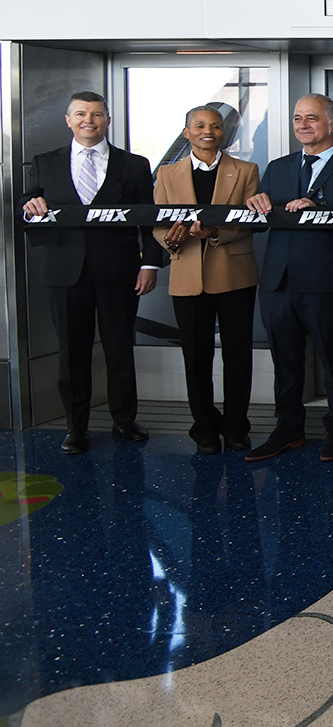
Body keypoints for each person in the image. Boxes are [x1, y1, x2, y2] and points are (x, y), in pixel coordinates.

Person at [20, 91, 161, 455]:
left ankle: (125, 420)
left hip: (120, 271)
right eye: (81, 114)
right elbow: (26, 205)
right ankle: (76, 427)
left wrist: (150, 264)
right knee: (72, 352)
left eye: (96, 114)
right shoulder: (45, 162)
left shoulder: (134, 165)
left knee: (119, 348)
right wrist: (29, 205)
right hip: (65, 272)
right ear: (68, 120)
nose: (89, 120)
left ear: (107, 121)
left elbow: (149, 218)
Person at [244, 93, 333, 463]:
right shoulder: (278, 167)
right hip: (277, 281)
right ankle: (288, 428)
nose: (303, 125)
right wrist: (253, 206)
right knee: (285, 360)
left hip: (324, 281)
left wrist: (322, 212)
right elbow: (259, 223)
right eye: (298, 118)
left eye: (312, 118)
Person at [152, 106, 261, 455]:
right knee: (196, 358)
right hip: (187, 276)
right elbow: (158, 224)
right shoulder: (167, 174)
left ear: (223, 133)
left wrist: (215, 233)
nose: (208, 131)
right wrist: (171, 240)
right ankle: (204, 428)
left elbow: (252, 222)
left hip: (234, 274)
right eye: (199, 125)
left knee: (238, 355)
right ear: (186, 133)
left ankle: (236, 427)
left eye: (215, 126)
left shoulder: (245, 170)